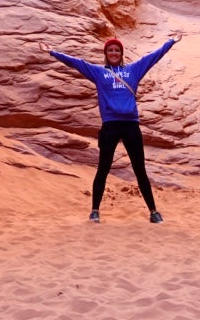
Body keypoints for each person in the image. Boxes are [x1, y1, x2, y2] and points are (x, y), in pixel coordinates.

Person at [48, 35, 176, 223]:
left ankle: (153, 212)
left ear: (121, 54)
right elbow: (76, 63)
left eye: (117, 50)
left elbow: (153, 57)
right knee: (103, 168)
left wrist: (170, 43)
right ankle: (94, 211)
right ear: (106, 54)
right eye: (110, 50)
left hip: (131, 125)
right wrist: (52, 52)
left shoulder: (133, 70)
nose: (114, 53)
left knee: (140, 169)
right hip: (110, 125)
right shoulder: (99, 73)